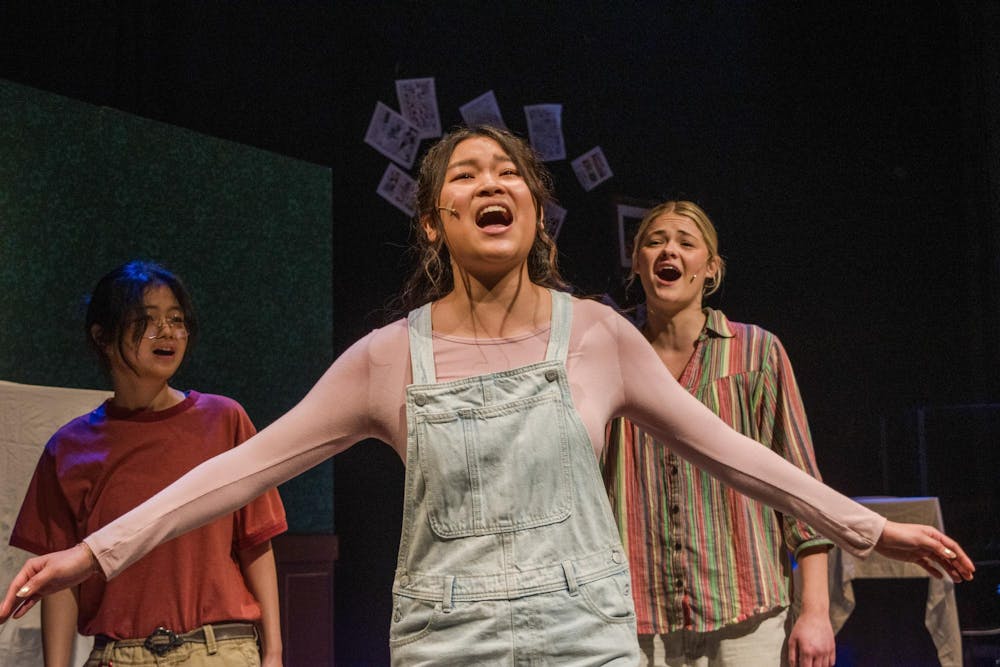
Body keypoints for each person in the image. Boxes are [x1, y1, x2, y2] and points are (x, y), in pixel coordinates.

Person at [0, 127, 974, 665]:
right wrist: (95, 548)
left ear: (533, 212)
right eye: (465, 173)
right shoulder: (386, 359)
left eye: (508, 170)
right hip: (446, 640)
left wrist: (868, 530)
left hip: (584, 638)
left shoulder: (595, 335)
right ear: (434, 222)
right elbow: (236, 470)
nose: (490, 180)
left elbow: (738, 453)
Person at [8, 260, 287, 667]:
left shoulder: (225, 420)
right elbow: (60, 580)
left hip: (219, 650)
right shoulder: (69, 447)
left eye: (177, 320)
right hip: (119, 656)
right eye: (146, 320)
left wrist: (274, 653)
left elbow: (255, 544)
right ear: (103, 337)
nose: (168, 332)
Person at [603, 200, 836, 667]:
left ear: (710, 269)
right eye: (655, 241)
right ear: (638, 261)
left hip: (745, 618)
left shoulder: (755, 353)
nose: (669, 250)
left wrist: (815, 612)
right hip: (634, 621)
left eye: (686, 243)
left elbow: (803, 492)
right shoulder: (608, 355)